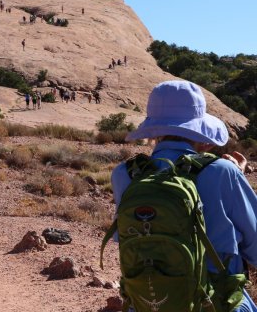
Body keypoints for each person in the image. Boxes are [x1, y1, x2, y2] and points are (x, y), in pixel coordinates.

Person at [110, 81, 257, 312]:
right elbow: (254, 244)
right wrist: (235, 178)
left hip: (148, 302)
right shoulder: (222, 171)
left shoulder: (123, 174)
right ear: (199, 129)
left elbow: (124, 237)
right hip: (213, 302)